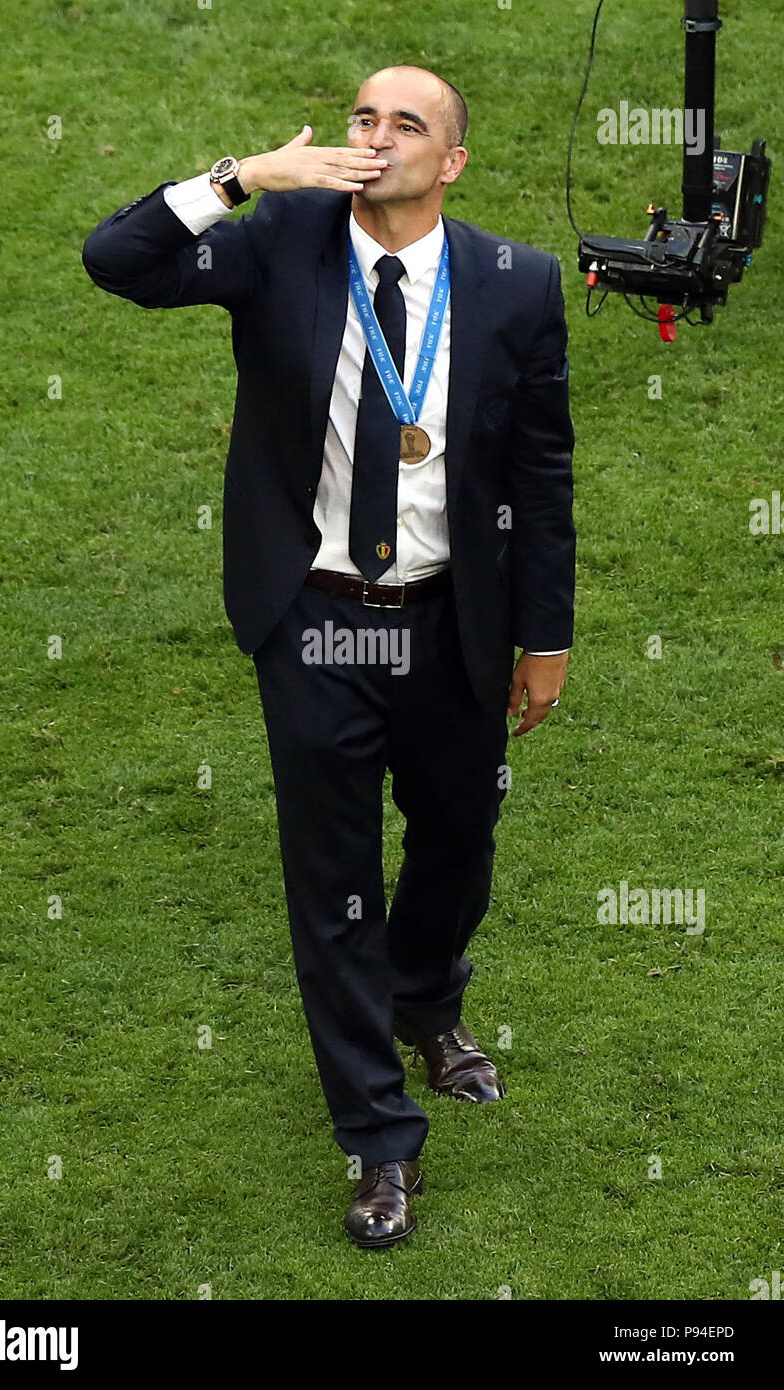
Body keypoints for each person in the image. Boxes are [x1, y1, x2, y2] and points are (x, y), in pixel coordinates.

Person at [82, 64, 575, 1249]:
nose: (375, 136)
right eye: (363, 117)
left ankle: (427, 1000)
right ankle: (378, 1140)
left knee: (458, 841)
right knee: (334, 884)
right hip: (314, 619)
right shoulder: (283, 237)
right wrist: (241, 177)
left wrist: (544, 633)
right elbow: (118, 261)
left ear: (450, 162)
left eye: (407, 123)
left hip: (453, 615)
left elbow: (539, 472)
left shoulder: (515, 282)